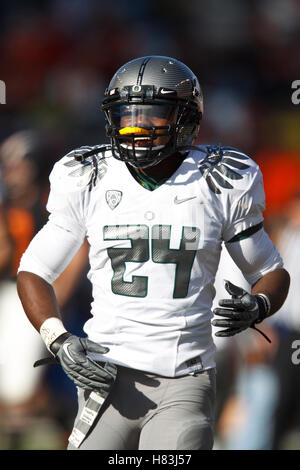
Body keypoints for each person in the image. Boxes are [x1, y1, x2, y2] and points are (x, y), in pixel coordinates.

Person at [16, 56, 290, 450]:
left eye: (152, 115)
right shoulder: (89, 176)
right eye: (128, 114)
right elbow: (34, 271)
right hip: (105, 375)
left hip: (185, 377)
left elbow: (271, 270)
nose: (136, 126)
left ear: (187, 118)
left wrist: (260, 303)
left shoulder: (217, 181)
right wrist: (58, 338)